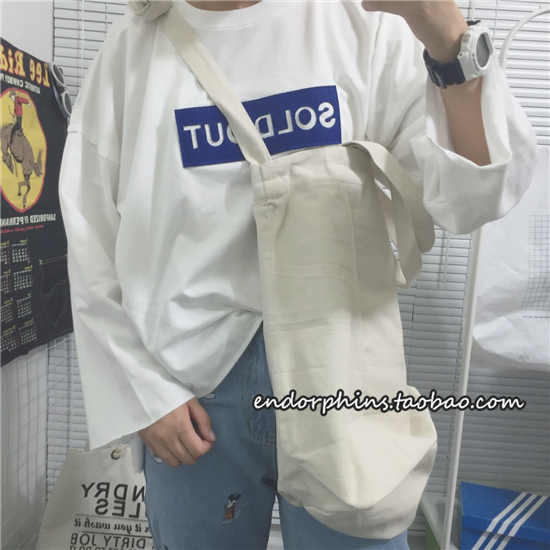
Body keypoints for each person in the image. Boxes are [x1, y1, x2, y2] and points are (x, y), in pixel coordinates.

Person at [58, 0, 537, 549]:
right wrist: (141, 394)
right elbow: (90, 236)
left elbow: (475, 197)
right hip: (190, 397)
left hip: (344, 381)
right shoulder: (132, 50)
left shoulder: (364, 24)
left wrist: (446, 36)